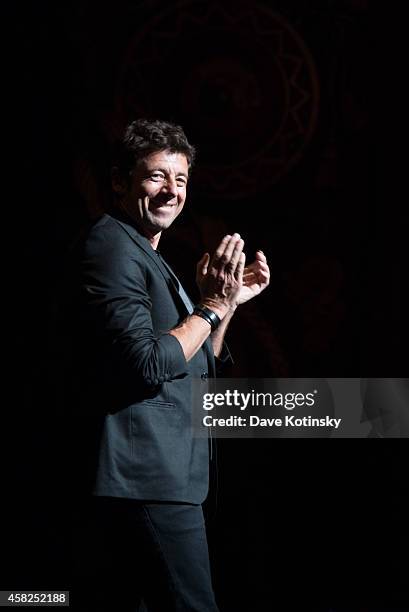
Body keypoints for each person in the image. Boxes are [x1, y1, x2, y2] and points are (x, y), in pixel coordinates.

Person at [69, 118, 270, 611]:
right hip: (147, 478)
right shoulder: (112, 245)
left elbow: (200, 359)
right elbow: (146, 362)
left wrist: (227, 305)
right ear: (120, 182)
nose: (171, 192)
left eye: (180, 180)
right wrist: (212, 307)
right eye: (156, 177)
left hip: (165, 477)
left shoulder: (148, 254)